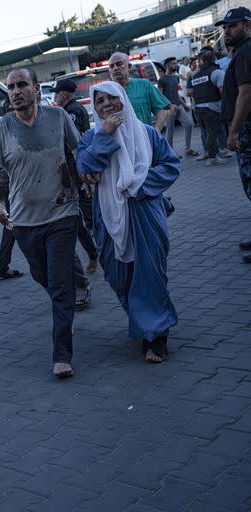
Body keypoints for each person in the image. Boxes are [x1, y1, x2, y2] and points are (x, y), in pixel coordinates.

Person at [0, 67, 81, 378]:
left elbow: (79, 150)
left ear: (37, 89)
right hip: (24, 223)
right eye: (10, 87)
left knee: (62, 283)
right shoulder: (2, 129)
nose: (15, 91)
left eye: (22, 85)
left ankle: (62, 354)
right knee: (45, 278)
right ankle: (63, 311)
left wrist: (92, 177)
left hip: (64, 213)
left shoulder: (58, 118)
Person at [77, 81, 180, 363]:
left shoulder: (146, 134)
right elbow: (85, 166)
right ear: (94, 107)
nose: (106, 105)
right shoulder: (91, 137)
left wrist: (139, 185)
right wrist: (106, 135)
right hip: (109, 217)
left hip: (144, 212)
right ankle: (144, 321)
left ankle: (157, 336)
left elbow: (171, 165)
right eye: (99, 101)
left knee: (150, 273)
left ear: (123, 99)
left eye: (112, 98)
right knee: (118, 274)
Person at [51, 78, 100, 306]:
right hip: (70, 173)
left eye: (56, 94)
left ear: (64, 94)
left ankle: (94, 253)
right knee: (78, 219)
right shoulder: (72, 109)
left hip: (74, 173)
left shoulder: (70, 112)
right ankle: (93, 252)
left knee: (81, 217)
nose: (54, 98)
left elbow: (71, 143)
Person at [217, 7, 251, 263]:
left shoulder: (246, 52)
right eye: (225, 27)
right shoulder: (241, 52)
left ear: (247, 25)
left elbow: (246, 93)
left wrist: (234, 130)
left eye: (232, 25)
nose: (227, 30)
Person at [108, 52, 173, 130]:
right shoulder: (106, 92)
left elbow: (161, 110)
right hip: (120, 141)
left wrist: (156, 131)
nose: (115, 68)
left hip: (144, 139)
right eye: (111, 66)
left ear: (129, 67)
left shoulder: (145, 85)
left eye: (119, 64)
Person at [188, 50, 229, 167]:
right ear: (214, 59)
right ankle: (212, 158)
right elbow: (224, 93)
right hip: (212, 108)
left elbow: (190, 92)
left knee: (208, 133)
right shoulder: (217, 72)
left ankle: (213, 152)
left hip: (198, 109)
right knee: (212, 133)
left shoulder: (195, 75)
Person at [159, 57, 198, 156]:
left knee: (189, 124)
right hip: (169, 109)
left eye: (176, 63)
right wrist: (168, 106)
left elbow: (176, 93)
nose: (176, 65)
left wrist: (184, 105)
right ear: (167, 65)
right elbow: (160, 96)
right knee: (170, 131)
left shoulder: (175, 77)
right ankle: (170, 153)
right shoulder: (162, 79)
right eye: (173, 63)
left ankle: (187, 149)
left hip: (179, 105)